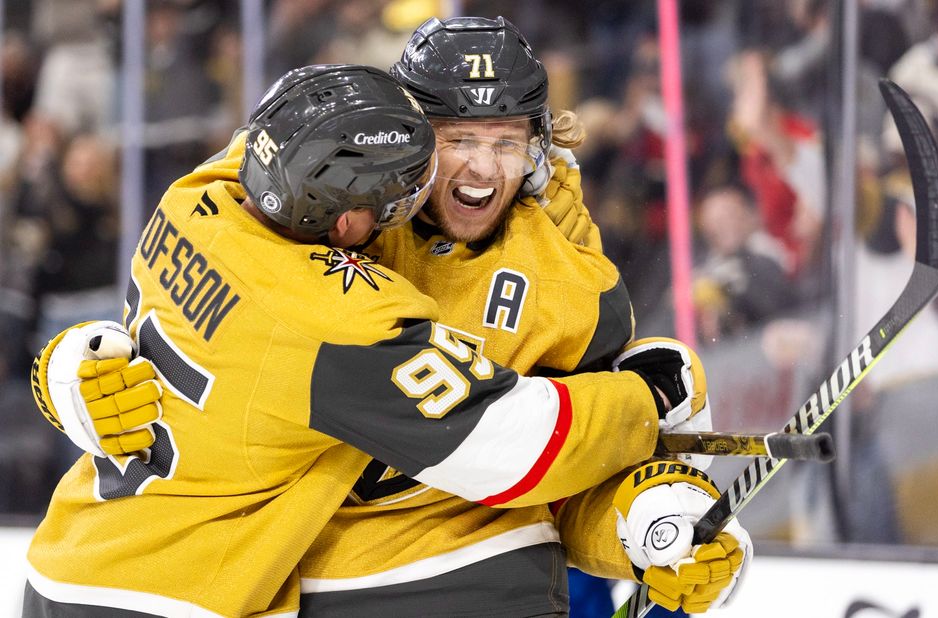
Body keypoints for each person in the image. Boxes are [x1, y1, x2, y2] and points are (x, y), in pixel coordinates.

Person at [26, 63, 736, 617]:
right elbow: (513, 445)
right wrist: (641, 400)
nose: (470, 172)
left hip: (71, 557)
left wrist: (68, 368)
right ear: (345, 224)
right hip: (187, 597)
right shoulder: (336, 317)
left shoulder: (197, 195)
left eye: (504, 143)